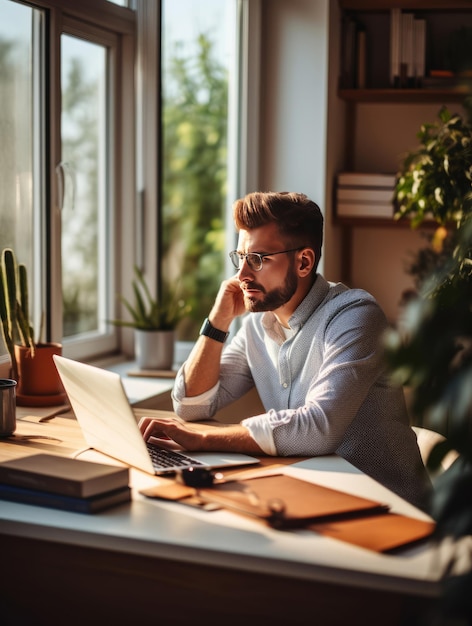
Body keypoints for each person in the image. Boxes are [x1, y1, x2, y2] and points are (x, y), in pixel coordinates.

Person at [139, 191, 432, 511]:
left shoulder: (355, 316)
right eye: (240, 258)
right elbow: (190, 404)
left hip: (393, 510)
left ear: (304, 261)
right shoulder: (257, 326)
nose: (242, 276)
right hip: (316, 499)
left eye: (257, 259)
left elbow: (319, 428)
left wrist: (204, 440)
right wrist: (218, 319)